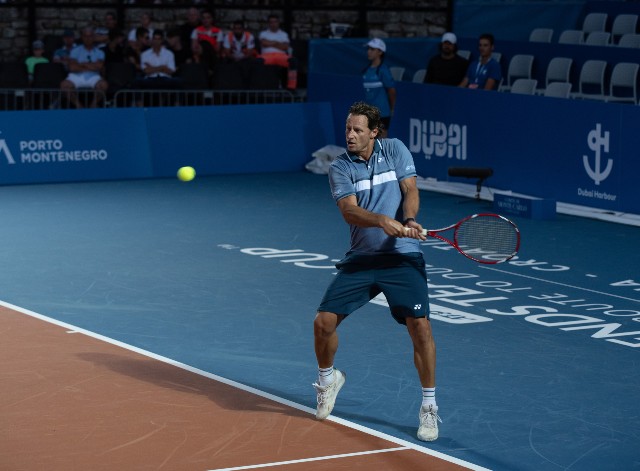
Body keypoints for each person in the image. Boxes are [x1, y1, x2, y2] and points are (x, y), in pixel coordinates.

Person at [312, 101, 440, 442]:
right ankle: (327, 379)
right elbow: (350, 213)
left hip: (402, 257)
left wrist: (409, 219)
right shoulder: (340, 167)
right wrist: (383, 220)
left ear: (374, 132)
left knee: (421, 328)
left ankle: (429, 406)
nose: (350, 135)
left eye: (357, 130)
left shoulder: (395, 150)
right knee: (323, 323)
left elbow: (410, 189)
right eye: (347, 129)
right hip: (363, 258)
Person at [60, 26, 109, 108]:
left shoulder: (100, 52)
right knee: (64, 85)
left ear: (93, 37)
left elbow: (99, 67)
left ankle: (92, 106)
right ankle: (79, 106)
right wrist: (92, 65)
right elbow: (72, 68)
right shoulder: (75, 50)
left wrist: (81, 64)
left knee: (104, 85)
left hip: (93, 76)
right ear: (82, 37)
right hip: (76, 76)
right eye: (85, 36)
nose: (88, 38)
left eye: (90, 36)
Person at [362, 38, 396, 138]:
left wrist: (391, 109)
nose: (369, 51)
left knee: (381, 144)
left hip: (383, 113)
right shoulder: (366, 70)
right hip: (369, 114)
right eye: (368, 49)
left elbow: (391, 91)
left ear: (380, 52)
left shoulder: (383, 70)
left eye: (372, 49)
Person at [258, 14, 297, 89]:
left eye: (275, 22)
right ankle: (260, 87)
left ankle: (291, 87)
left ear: (278, 23)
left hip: (281, 56)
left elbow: (285, 47)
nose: (273, 24)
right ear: (268, 23)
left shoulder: (283, 34)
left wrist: (271, 43)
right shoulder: (263, 33)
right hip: (267, 56)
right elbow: (264, 43)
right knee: (258, 61)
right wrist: (277, 43)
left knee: (293, 61)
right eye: (271, 22)